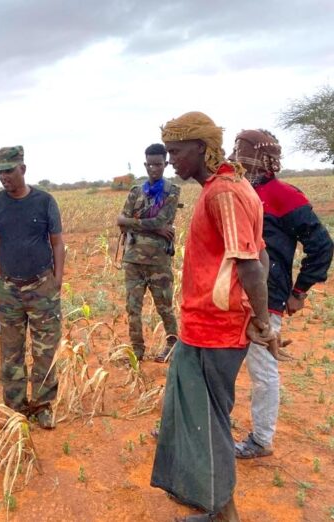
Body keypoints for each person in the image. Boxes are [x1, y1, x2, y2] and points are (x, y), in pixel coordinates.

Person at [150, 112, 276, 522]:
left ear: (201, 149)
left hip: (214, 331)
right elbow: (261, 253)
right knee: (208, 423)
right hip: (208, 328)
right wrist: (255, 318)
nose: (171, 162)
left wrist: (261, 321)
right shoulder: (231, 186)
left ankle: (224, 515)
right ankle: (217, 509)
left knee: (210, 427)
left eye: (176, 152)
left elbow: (252, 264)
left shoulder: (223, 192)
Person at [228, 129, 333, 459]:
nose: (233, 159)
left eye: (240, 152)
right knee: (224, 361)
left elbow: (321, 245)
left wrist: (300, 291)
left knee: (262, 369)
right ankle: (210, 422)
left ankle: (261, 439)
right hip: (234, 295)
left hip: (267, 296)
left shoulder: (284, 195)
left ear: (260, 160)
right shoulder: (239, 192)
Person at [0, 145, 64, 429]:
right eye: (0, 172)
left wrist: (58, 281)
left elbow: (57, 243)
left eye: (9, 171)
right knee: (11, 352)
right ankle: (16, 408)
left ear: (23, 169)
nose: (4, 177)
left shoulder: (45, 201)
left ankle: (43, 406)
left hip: (42, 286)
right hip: (8, 290)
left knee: (45, 350)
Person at [116, 143, 180, 363]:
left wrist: (134, 223)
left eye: (158, 164)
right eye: (150, 164)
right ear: (145, 164)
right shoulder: (137, 191)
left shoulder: (172, 191)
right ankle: (137, 351)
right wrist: (153, 227)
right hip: (133, 259)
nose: (154, 169)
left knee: (164, 308)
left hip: (158, 261)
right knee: (132, 309)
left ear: (166, 164)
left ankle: (172, 347)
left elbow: (162, 220)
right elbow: (120, 221)